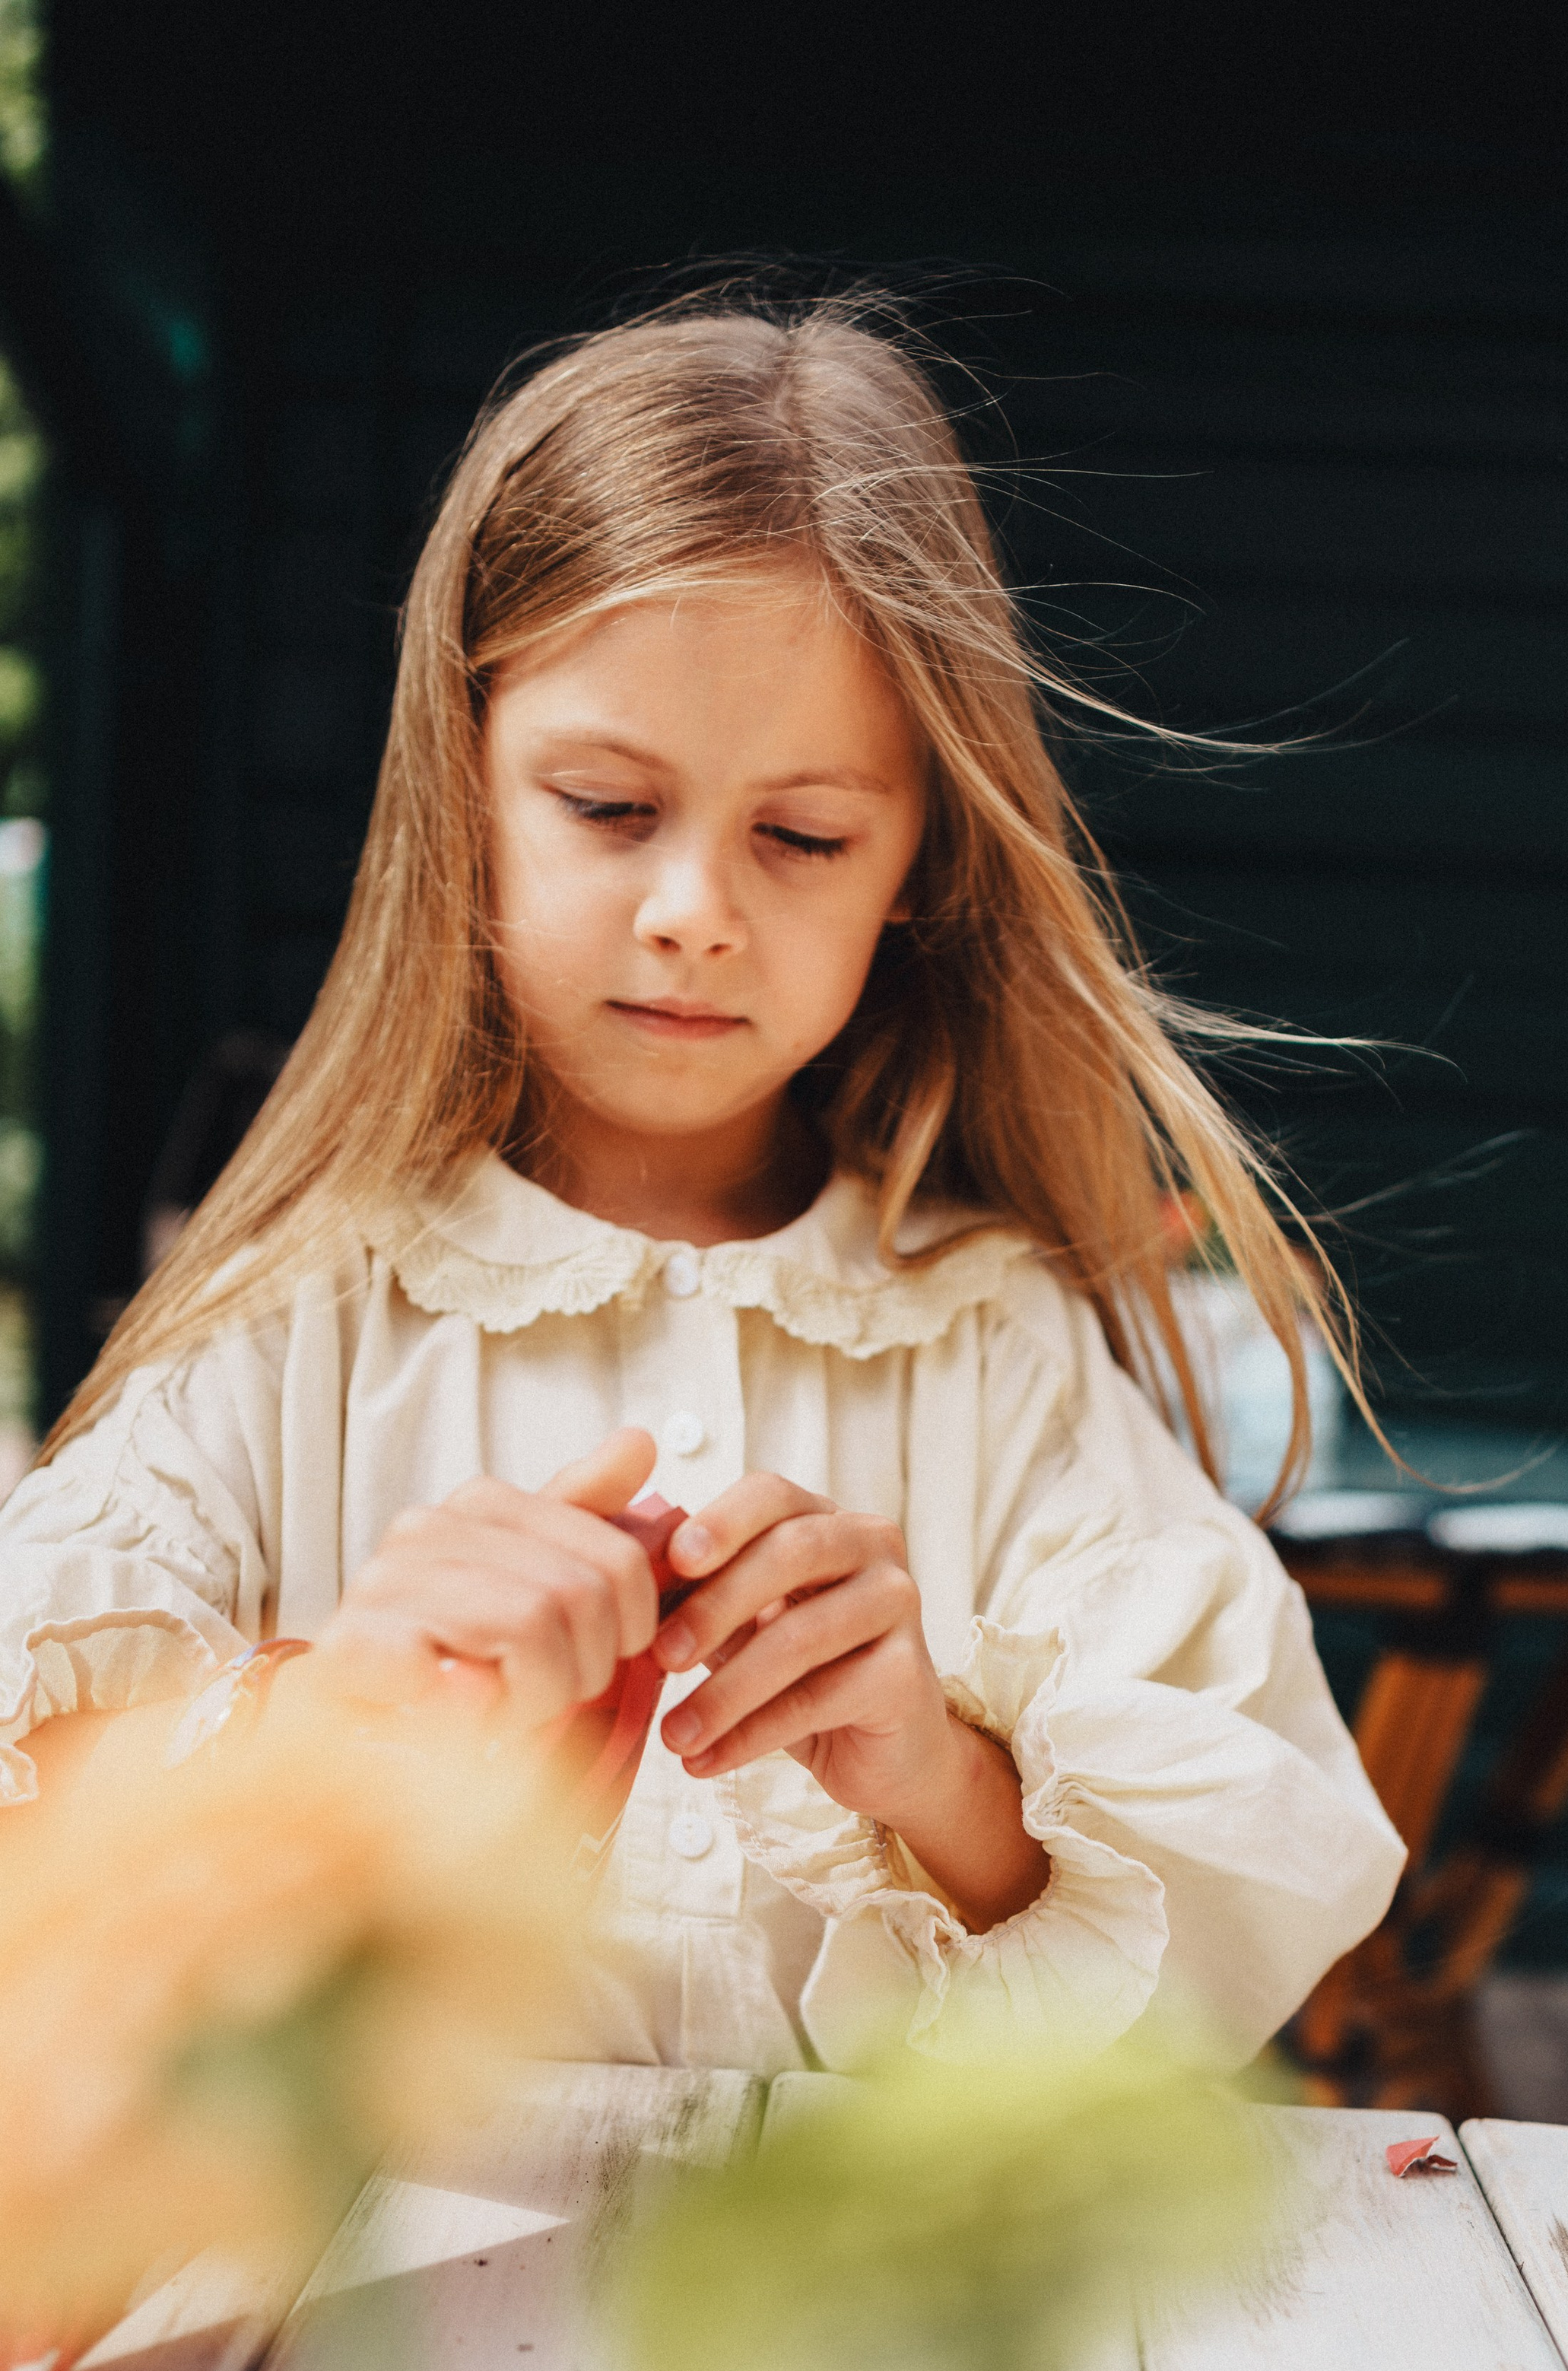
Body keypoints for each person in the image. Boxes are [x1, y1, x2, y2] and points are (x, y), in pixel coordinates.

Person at [0, 290, 1403, 2094]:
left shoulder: (992, 1348)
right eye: (603, 804)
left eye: (801, 835)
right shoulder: (302, 1312)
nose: (693, 911)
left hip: (834, 2326)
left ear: (916, 861)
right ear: (466, 786)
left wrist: (935, 1768)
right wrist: (334, 1700)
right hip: (347, 2336)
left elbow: (1240, 1890)